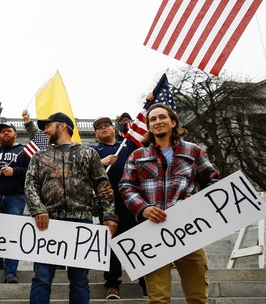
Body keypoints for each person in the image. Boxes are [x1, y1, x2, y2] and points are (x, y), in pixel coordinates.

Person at [120, 103, 220, 304]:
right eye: (153, 119)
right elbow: (126, 186)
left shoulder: (194, 151)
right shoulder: (137, 155)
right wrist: (144, 208)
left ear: (173, 122)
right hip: (153, 232)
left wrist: (197, 202)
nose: (158, 122)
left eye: (162, 117)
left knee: (198, 295)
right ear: (149, 126)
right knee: (158, 299)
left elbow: (213, 181)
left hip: (189, 230)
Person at [24, 112, 118, 304]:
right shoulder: (40, 156)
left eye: (48, 126)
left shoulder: (88, 153)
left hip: (81, 221)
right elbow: (30, 184)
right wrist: (38, 208)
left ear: (63, 126)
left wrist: (109, 215)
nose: (45, 130)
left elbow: (102, 185)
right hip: (48, 223)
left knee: (80, 280)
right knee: (41, 278)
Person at [92, 116, 146, 299]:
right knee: (111, 244)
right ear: (96, 133)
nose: (104, 128)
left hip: (134, 200)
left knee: (139, 240)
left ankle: (145, 279)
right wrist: (102, 162)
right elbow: (82, 171)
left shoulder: (128, 144)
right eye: (99, 127)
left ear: (113, 128)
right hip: (108, 203)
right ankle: (113, 283)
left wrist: (148, 102)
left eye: (107, 125)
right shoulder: (94, 151)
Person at [0, 122, 30, 284]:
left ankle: (10, 272)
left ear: (15, 134)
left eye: (9, 131)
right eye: (2, 132)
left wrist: (14, 171)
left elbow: (32, 172)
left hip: (15, 197)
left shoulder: (23, 152)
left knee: (12, 234)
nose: (5, 134)